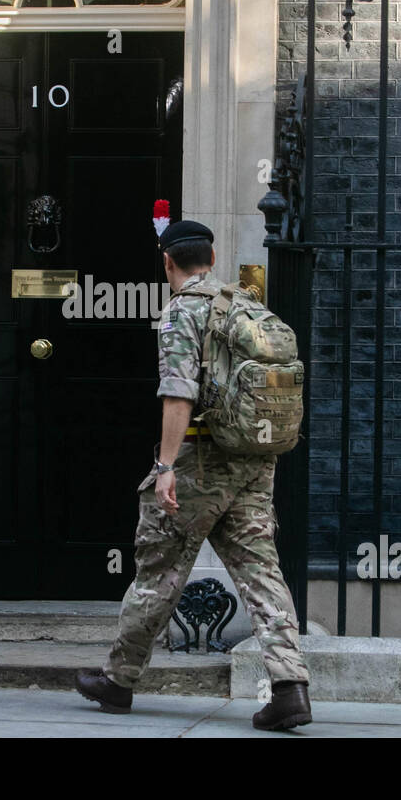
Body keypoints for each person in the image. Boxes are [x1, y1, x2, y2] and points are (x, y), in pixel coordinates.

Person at [75, 219, 312, 730]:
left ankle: (118, 681)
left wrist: (164, 467)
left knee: (158, 567)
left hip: (201, 462)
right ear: (210, 257)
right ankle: (290, 687)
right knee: (260, 570)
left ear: (167, 262)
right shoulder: (245, 303)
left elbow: (178, 393)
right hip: (253, 461)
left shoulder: (184, 310)